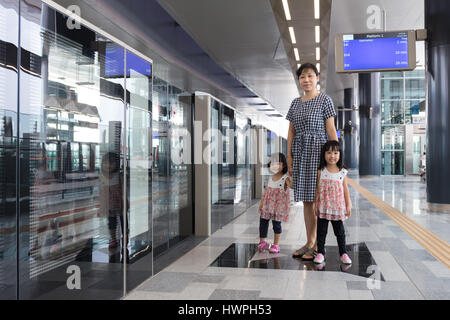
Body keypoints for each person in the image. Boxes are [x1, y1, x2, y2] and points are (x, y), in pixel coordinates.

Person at [286, 63, 338, 260]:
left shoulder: (325, 100)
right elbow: (291, 132)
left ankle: (318, 245)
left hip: (319, 152)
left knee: (319, 199)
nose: (306, 80)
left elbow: (331, 130)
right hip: (300, 153)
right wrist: (289, 155)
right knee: (307, 201)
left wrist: (335, 160)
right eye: (302, 77)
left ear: (317, 78)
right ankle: (309, 241)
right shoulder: (295, 103)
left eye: (309, 76)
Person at [313, 141, 352, 265]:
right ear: (324, 154)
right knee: (321, 231)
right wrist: (315, 203)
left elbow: (345, 189)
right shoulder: (321, 171)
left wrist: (348, 204)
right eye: (329, 152)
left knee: (339, 232)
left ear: (340, 154)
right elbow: (317, 189)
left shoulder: (342, 172)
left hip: (337, 207)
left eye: (335, 152)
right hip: (323, 207)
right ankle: (320, 252)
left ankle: (343, 253)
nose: (332, 156)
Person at [257, 153, 293, 254]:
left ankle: (276, 244)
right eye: (273, 163)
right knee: (263, 222)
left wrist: (292, 175)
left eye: (278, 163)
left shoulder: (285, 178)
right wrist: (261, 203)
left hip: (278, 207)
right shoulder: (270, 178)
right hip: (267, 205)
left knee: (276, 225)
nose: (275, 166)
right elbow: (266, 192)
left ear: (284, 165)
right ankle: (262, 241)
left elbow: (291, 186)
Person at [98, 152, 128, 249]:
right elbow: (100, 192)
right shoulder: (101, 176)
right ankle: (113, 239)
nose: (108, 165)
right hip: (109, 204)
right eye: (106, 163)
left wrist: (126, 201)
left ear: (116, 164)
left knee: (123, 220)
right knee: (111, 222)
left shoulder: (118, 176)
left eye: (111, 163)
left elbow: (123, 190)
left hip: (120, 202)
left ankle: (125, 235)